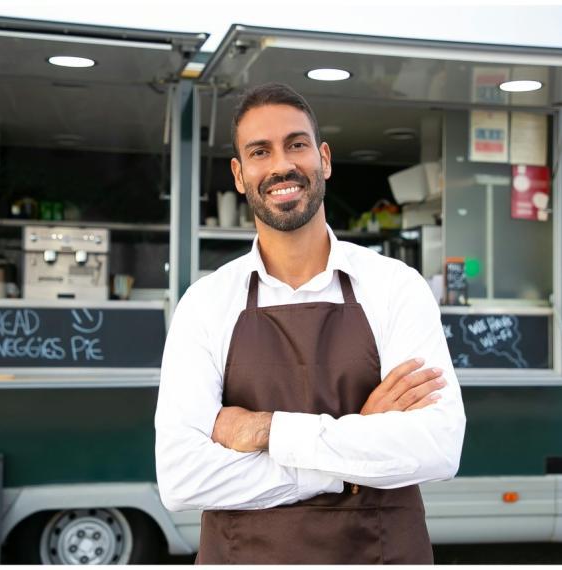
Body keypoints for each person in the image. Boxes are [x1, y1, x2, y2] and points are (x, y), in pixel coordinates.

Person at [155, 82, 465, 564]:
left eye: (295, 144)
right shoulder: (206, 303)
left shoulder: (394, 286)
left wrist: (266, 431)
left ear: (323, 158)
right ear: (239, 175)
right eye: (260, 151)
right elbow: (181, 476)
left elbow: (437, 446)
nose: (281, 165)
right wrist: (351, 455)